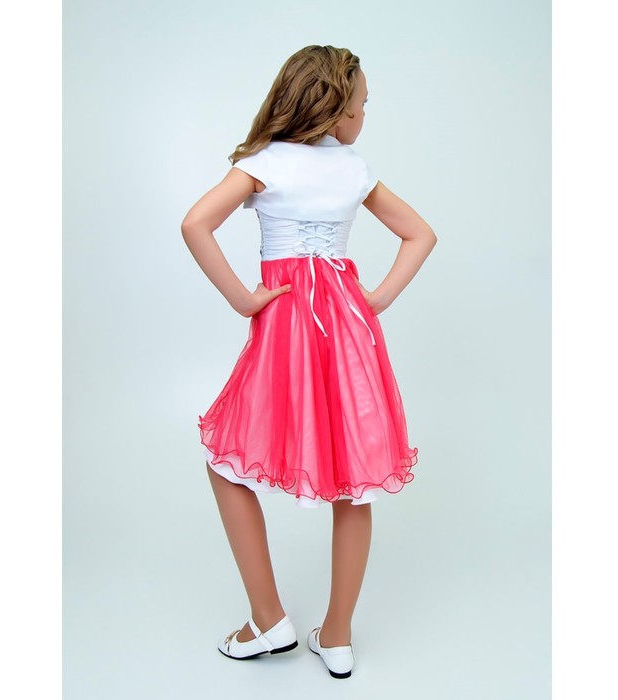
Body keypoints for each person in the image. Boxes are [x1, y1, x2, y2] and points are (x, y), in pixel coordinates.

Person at [181, 45, 437, 679]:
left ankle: (268, 620)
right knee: (354, 477)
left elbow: (195, 224)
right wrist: (375, 298)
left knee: (226, 461)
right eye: (362, 104)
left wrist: (245, 299)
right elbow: (421, 233)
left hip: (287, 326)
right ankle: (338, 635)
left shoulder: (264, 163)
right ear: (335, 109)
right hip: (348, 329)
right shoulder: (354, 169)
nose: (365, 115)